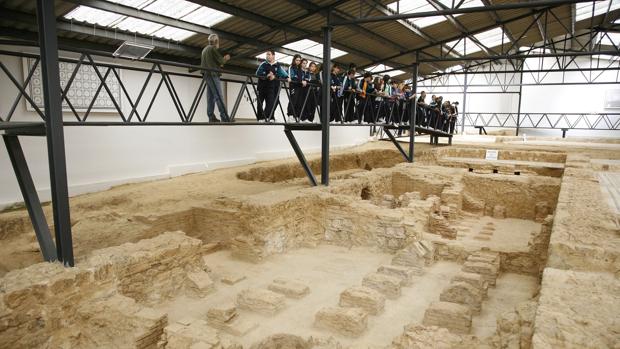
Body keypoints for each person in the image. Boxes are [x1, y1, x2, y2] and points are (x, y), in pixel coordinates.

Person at [201, 34, 231, 122]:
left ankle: (211, 116)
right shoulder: (212, 49)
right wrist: (226, 58)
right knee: (218, 96)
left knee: (210, 97)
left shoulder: (204, 50)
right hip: (213, 75)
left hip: (206, 75)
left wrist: (219, 63)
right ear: (216, 41)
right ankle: (224, 117)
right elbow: (221, 60)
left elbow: (212, 62)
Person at [256, 50, 288, 122]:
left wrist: (286, 77)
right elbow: (258, 73)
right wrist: (267, 75)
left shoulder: (277, 65)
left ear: (273, 55)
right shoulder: (263, 64)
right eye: (266, 54)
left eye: (269, 54)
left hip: (271, 87)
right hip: (261, 87)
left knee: (271, 103)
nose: (267, 56)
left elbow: (283, 73)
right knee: (259, 103)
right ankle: (260, 118)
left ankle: (268, 117)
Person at [287, 54, 305, 121]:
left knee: (299, 101)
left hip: (299, 87)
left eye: (299, 60)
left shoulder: (300, 69)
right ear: (294, 60)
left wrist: (302, 81)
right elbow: (292, 78)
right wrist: (300, 81)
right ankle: (290, 115)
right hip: (293, 86)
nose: (298, 62)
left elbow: (301, 78)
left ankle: (296, 116)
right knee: (293, 100)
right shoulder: (291, 67)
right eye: (297, 60)